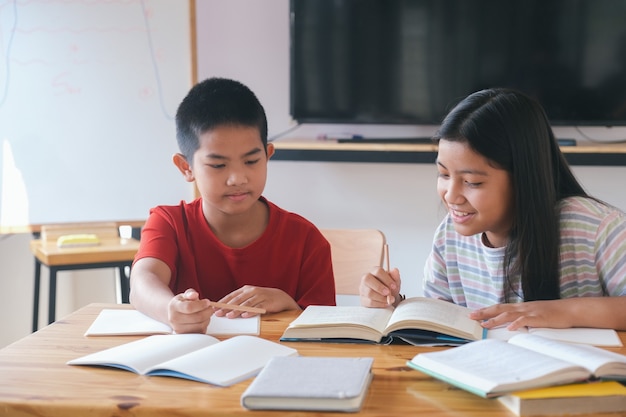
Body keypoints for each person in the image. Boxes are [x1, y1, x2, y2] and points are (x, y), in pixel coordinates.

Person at [360, 88, 626, 331]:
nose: (451, 196)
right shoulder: (449, 237)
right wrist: (393, 304)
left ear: (524, 177)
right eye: (443, 174)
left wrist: (563, 311)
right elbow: (438, 324)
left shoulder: (596, 228)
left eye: (472, 182)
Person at [130, 77, 336, 334]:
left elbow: (326, 335)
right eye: (218, 165)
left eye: (251, 161)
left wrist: (287, 304)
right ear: (186, 167)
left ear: (268, 155)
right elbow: (143, 282)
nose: (238, 178)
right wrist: (169, 309)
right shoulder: (169, 223)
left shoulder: (306, 240)